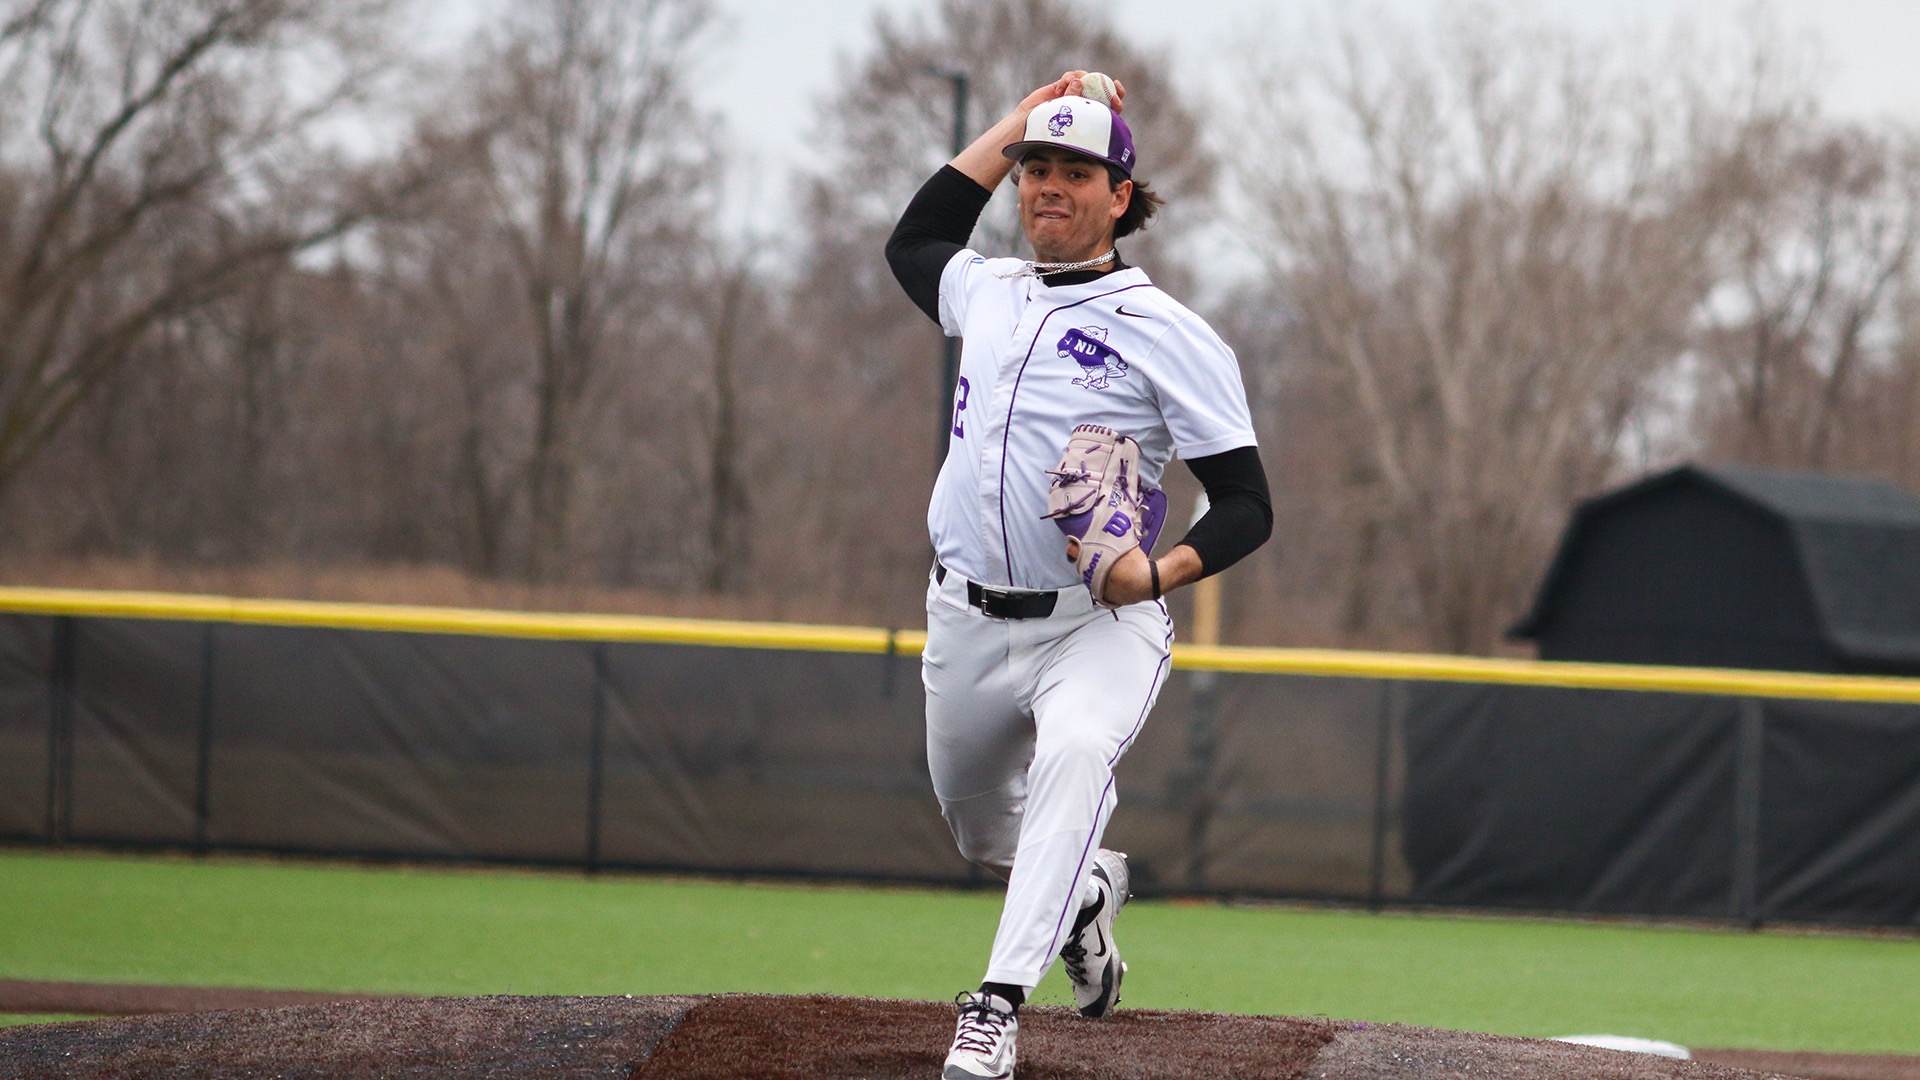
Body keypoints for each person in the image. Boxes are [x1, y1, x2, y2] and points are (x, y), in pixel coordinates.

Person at [885, 70, 1272, 1080]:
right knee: (980, 831)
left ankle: (996, 1007)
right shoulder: (988, 291)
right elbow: (914, 236)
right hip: (965, 615)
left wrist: (1161, 572)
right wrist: (1019, 117)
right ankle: (1085, 898)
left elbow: (1246, 503)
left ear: (1120, 197)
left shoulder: (1169, 333)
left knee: (1072, 762)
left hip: (1093, 625)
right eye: (1034, 170)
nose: (1046, 186)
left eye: (1073, 171)